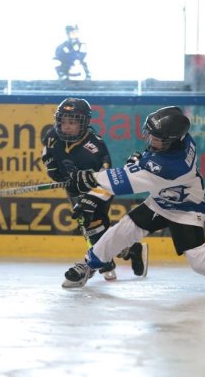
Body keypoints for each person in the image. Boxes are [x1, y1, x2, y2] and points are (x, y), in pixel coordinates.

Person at [62, 106, 205, 294]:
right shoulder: (182, 139)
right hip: (160, 201)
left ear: (170, 141)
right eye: (149, 134)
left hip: (185, 209)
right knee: (123, 230)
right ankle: (89, 265)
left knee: (198, 260)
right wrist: (139, 161)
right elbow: (147, 163)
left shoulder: (169, 166)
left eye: (156, 139)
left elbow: (122, 182)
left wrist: (88, 178)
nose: (150, 140)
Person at [41, 97, 148, 287]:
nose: (66, 126)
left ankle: (101, 263)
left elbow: (108, 182)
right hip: (72, 187)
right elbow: (48, 153)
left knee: (93, 225)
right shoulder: (52, 135)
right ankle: (129, 250)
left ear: (84, 123)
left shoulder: (95, 148)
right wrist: (51, 167)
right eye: (63, 121)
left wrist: (90, 200)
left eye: (72, 122)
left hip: (97, 190)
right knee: (88, 227)